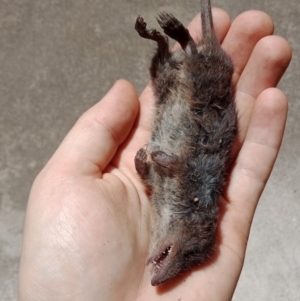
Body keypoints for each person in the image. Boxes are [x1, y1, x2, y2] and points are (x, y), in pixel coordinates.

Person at [19, 9, 291, 301]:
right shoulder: (197, 215)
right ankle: (186, 42)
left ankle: (162, 44)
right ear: (197, 234)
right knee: (208, 88)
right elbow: (200, 173)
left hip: (170, 108)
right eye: (184, 256)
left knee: (161, 79)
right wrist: (175, 166)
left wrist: (146, 171)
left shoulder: (165, 217)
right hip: (201, 116)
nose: (158, 274)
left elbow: (158, 188)